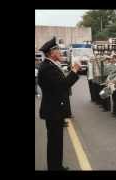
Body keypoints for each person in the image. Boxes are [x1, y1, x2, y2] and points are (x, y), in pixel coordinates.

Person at [37, 37, 80, 171]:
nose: (60, 53)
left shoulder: (50, 65)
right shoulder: (48, 68)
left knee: (56, 142)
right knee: (54, 142)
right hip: (53, 111)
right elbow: (62, 85)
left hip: (55, 110)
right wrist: (74, 71)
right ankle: (54, 167)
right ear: (51, 53)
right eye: (58, 50)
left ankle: (56, 166)